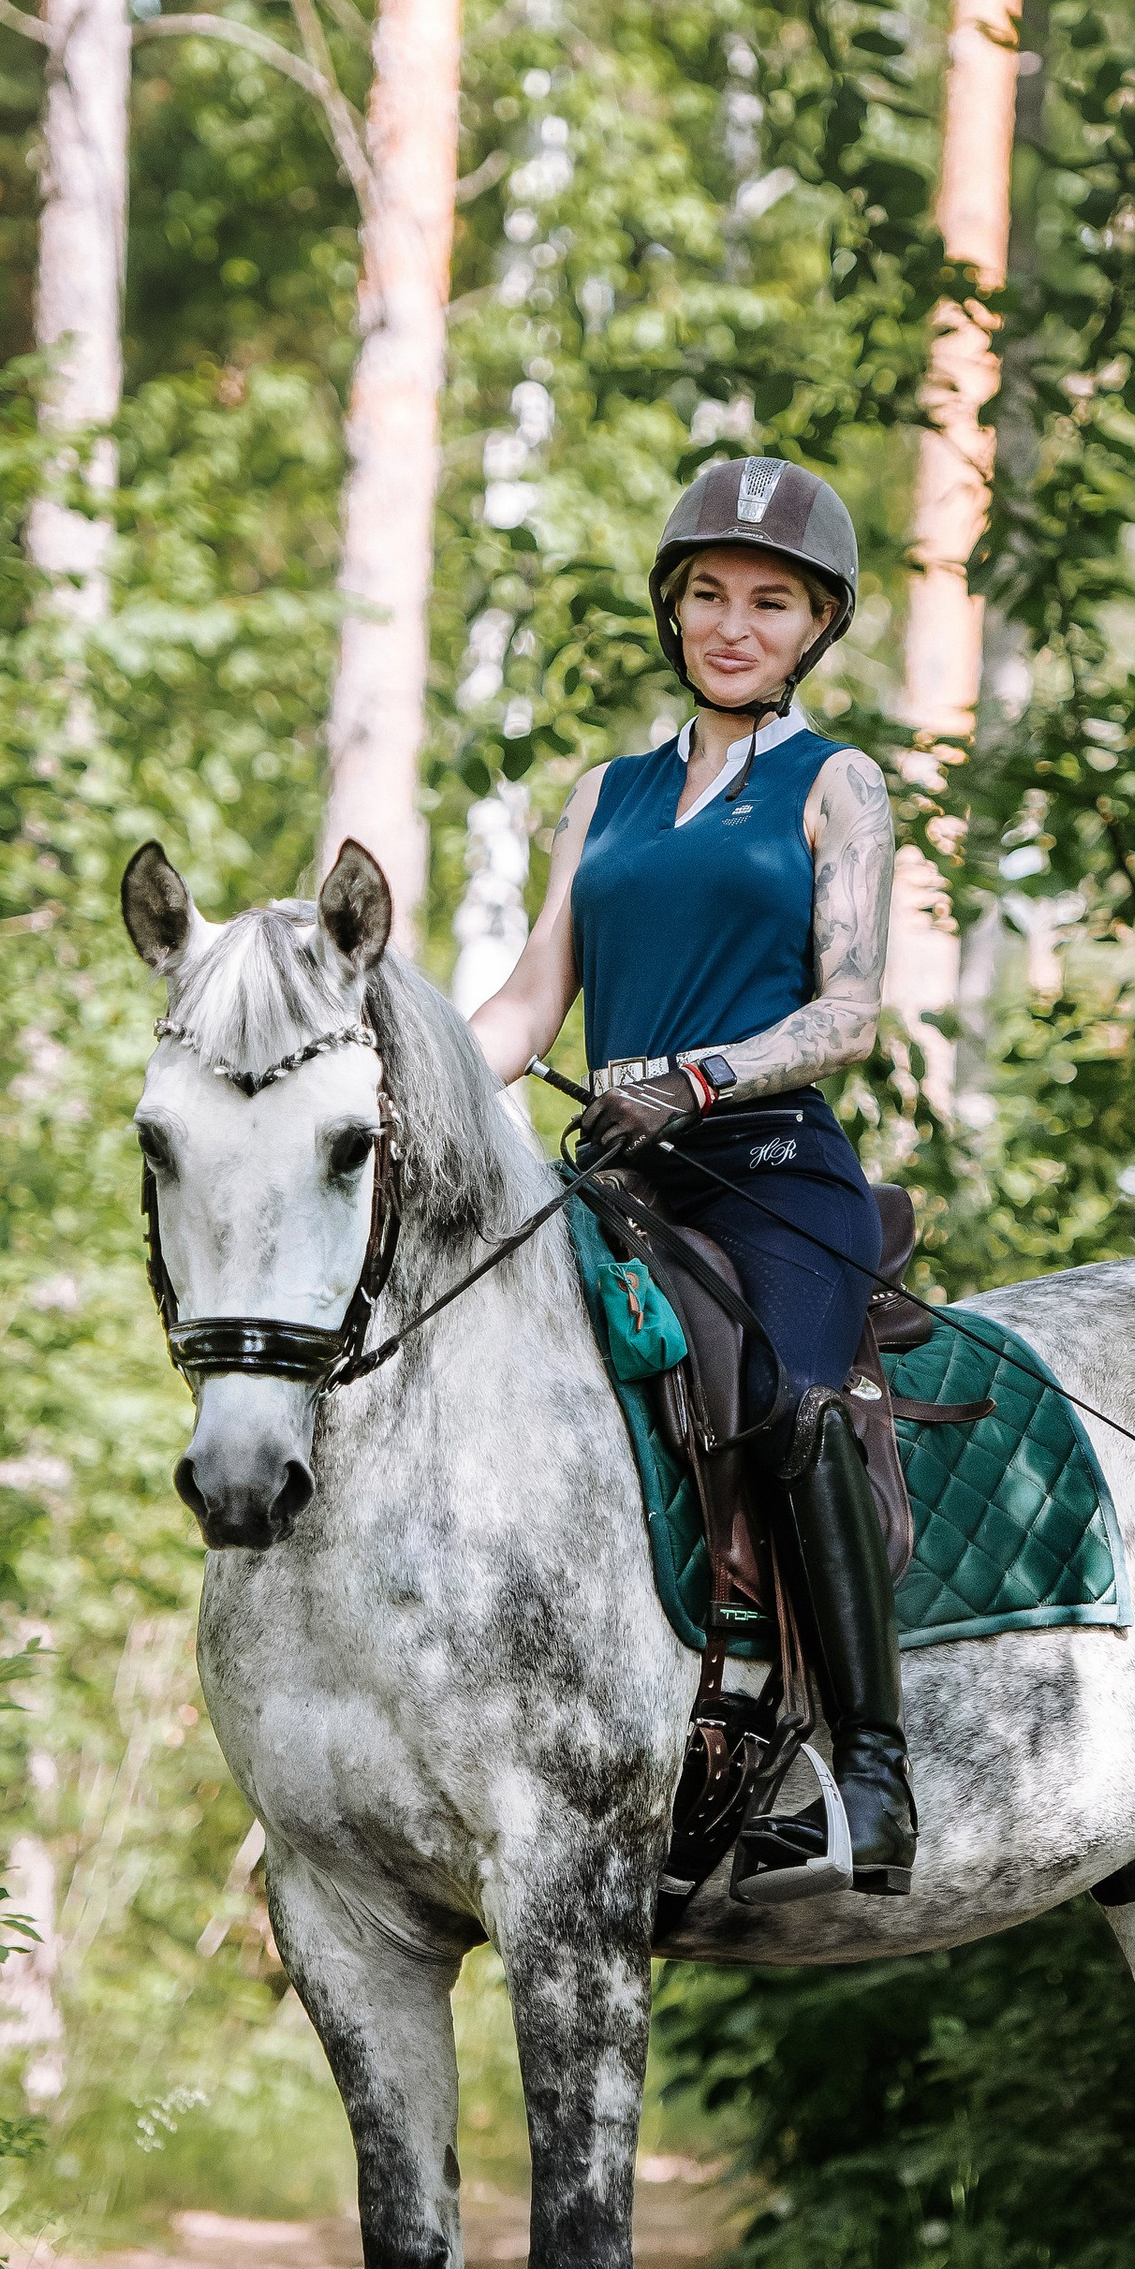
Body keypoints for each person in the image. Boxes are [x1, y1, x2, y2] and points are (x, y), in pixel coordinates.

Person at [467, 456, 914, 1898]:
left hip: (773, 1172)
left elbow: (851, 1012)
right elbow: (535, 1001)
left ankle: (866, 1777)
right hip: (618, 1181)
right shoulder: (605, 792)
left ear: (815, 628)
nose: (735, 624)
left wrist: (699, 1075)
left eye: (769, 603)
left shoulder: (836, 785)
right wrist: (399, 1073)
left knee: (786, 1405)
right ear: (673, 613)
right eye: (709, 596)